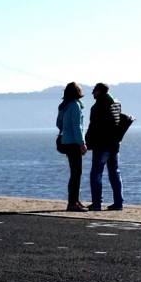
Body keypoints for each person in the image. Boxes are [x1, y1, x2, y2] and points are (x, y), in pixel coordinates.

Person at [84, 82, 124, 211]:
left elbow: (93, 126)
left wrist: (87, 141)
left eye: (94, 90)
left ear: (99, 91)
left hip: (101, 144)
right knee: (114, 173)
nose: (92, 93)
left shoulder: (97, 107)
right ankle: (118, 202)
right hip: (114, 144)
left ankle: (97, 203)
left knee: (96, 173)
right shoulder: (116, 104)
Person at [57, 83, 87, 212]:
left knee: (74, 173)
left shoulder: (64, 106)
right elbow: (77, 126)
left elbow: (58, 124)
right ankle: (72, 203)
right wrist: (82, 143)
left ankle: (75, 200)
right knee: (76, 173)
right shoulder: (75, 105)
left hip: (65, 141)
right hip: (74, 143)